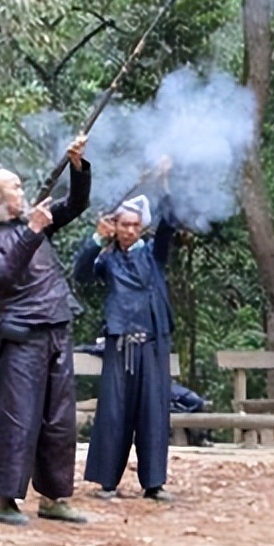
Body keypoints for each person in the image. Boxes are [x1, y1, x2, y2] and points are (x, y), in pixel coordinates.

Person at [0, 134, 91, 526]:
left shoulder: (34, 225)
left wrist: (77, 165)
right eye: (15, 187)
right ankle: (7, 500)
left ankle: (54, 497)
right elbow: (6, 277)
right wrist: (33, 229)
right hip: (21, 338)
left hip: (58, 328)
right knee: (18, 418)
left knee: (60, 419)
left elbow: (76, 204)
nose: (22, 192)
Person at [72, 191, 178, 502]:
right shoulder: (107, 259)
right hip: (119, 344)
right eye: (123, 224)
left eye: (134, 224)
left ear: (141, 227)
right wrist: (95, 238)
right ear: (114, 225)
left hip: (153, 343)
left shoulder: (153, 255)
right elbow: (81, 274)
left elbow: (169, 222)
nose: (129, 230)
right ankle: (107, 482)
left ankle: (154, 483)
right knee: (114, 411)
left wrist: (164, 181)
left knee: (153, 412)